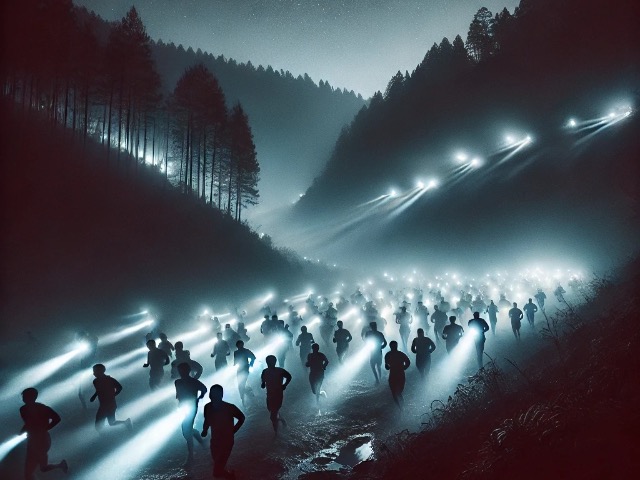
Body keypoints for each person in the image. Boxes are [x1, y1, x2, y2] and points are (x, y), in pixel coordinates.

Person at [19, 388, 68, 479]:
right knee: (42, 468)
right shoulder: (24, 409)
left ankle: (60, 465)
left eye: (25, 396)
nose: (23, 398)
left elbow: (57, 418)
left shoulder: (42, 408)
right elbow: (29, 423)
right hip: (34, 440)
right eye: (23, 396)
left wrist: (45, 429)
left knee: (31, 471)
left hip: (41, 440)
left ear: (32, 397)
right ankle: (60, 465)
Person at [201, 384, 245, 479]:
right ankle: (230, 476)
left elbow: (242, 417)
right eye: (212, 394)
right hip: (215, 441)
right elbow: (207, 420)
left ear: (221, 395)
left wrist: (234, 430)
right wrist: (204, 430)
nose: (213, 396)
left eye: (216, 394)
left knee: (217, 471)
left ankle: (230, 476)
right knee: (218, 464)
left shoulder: (230, 408)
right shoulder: (207, 407)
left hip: (227, 441)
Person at [175, 362, 207, 467]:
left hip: (192, 407)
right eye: (180, 370)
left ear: (187, 371)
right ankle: (200, 441)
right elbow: (178, 394)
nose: (181, 372)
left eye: (182, 370)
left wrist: (199, 397)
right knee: (187, 429)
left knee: (186, 429)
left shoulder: (192, 382)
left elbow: (204, 389)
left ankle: (191, 456)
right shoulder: (178, 382)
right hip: (186, 407)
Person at [90, 364, 132, 431]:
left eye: (95, 371)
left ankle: (103, 436)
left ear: (101, 371)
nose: (94, 373)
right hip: (104, 405)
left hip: (110, 405)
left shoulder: (110, 380)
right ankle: (125, 422)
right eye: (94, 371)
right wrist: (94, 396)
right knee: (108, 423)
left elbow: (120, 387)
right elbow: (98, 390)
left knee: (105, 423)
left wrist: (113, 395)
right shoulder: (95, 381)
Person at [260, 355, 292, 435]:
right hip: (270, 394)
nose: (269, 363)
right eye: (268, 362)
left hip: (278, 394)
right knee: (272, 411)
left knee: (273, 415)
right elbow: (263, 382)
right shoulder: (265, 371)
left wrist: (284, 385)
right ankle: (283, 422)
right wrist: (263, 384)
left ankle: (276, 433)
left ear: (274, 362)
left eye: (271, 361)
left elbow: (289, 376)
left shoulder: (279, 371)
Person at [384, 341, 411, 409]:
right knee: (397, 393)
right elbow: (408, 362)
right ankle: (401, 408)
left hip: (395, 374)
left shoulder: (388, 354)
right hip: (399, 374)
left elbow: (386, 367)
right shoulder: (400, 354)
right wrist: (403, 368)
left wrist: (391, 366)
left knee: (395, 393)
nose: (394, 347)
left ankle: (400, 408)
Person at [233, 340, 256, 407]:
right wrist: (251, 364)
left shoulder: (240, 352)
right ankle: (244, 397)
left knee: (241, 383)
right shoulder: (242, 351)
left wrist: (251, 364)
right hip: (242, 368)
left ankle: (244, 398)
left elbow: (253, 357)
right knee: (241, 383)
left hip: (244, 368)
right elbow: (253, 357)